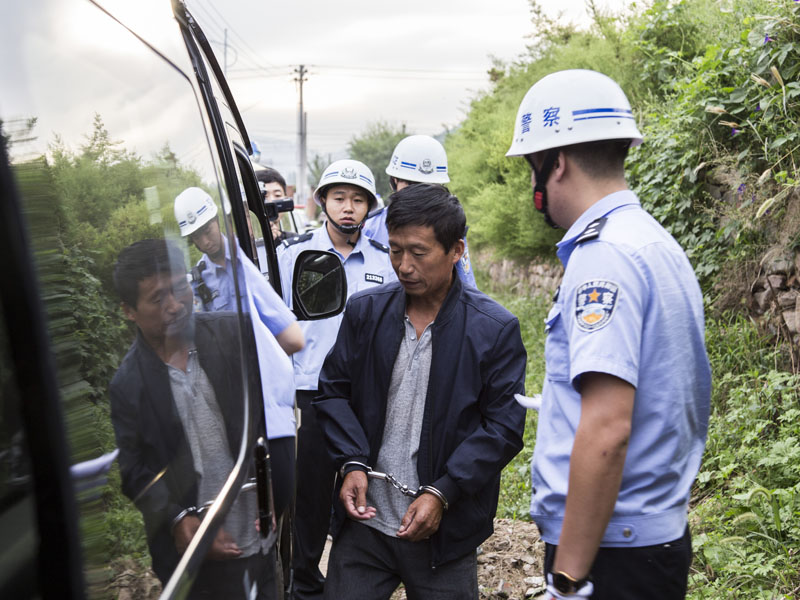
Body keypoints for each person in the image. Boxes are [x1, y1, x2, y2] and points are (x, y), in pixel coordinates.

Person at [505, 69, 712, 599]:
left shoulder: (604, 259)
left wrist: (569, 580)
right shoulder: (653, 243)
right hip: (649, 539)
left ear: (557, 163)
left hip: (610, 553)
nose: (534, 182)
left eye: (533, 166)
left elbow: (607, 428)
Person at [313, 183, 527, 599]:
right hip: (365, 529)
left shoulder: (493, 330)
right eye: (395, 250)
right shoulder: (366, 312)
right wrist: (352, 462)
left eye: (418, 252)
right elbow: (333, 391)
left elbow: (503, 427)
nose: (404, 266)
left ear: (456, 250)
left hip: (442, 534)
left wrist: (442, 491)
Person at [109, 239, 276, 598]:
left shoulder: (233, 333)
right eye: (157, 299)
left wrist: (275, 488)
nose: (175, 306)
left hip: (260, 529)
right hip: (195, 557)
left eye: (180, 287)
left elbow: (270, 414)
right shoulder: (128, 385)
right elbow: (134, 469)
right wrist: (176, 520)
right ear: (129, 311)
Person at [277, 159, 397, 600]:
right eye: (340, 198)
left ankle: (349, 580)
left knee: (358, 492)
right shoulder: (292, 256)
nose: (349, 208)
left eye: (358, 200)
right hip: (308, 394)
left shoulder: (384, 264)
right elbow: (276, 324)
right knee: (307, 495)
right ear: (323, 201)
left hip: (361, 397)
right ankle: (304, 580)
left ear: (369, 208)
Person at [174, 186, 301, 523]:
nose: (204, 240)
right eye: (196, 236)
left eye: (206, 229)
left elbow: (292, 337)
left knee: (280, 495)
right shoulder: (199, 279)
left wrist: (263, 358)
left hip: (268, 405)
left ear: (218, 220)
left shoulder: (244, 265)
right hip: (232, 408)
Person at [363, 134, 478, 287]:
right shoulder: (369, 228)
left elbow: (467, 288)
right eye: (411, 185)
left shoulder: (448, 227)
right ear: (394, 181)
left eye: (426, 186)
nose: (418, 194)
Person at [255, 167, 298, 246]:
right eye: (264, 195)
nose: (271, 200)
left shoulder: (295, 242)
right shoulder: (242, 243)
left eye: (277, 195)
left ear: (285, 197)